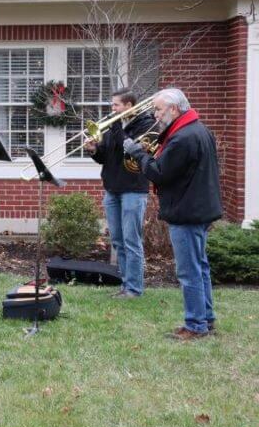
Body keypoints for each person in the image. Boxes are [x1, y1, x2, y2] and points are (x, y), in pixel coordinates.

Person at [124, 87, 222, 340]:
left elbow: (158, 173)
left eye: (158, 109)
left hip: (187, 211)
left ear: (174, 109)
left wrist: (137, 153)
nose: (155, 115)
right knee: (200, 267)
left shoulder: (182, 138)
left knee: (189, 271)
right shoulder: (199, 130)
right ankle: (206, 318)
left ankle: (195, 325)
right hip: (199, 207)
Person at [84, 90, 154, 298]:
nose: (112, 109)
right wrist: (94, 150)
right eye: (112, 105)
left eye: (116, 105)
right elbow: (106, 157)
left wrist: (119, 127)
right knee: (117, 240)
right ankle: (125, 285)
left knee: (132, 241)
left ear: (129, 105)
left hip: (133, 189)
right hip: (112, 188)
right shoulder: (114, 125)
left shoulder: (146, 124)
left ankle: (134, 288)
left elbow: (132, 150)